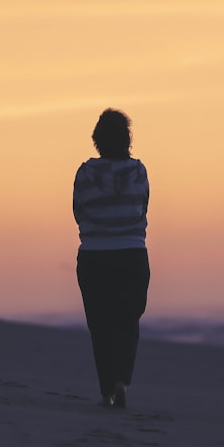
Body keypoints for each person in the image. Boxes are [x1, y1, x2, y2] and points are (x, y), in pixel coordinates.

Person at [73, 109, 150, 408]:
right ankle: (122, 382)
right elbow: (143, 207)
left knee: (100, 325)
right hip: (132, 252)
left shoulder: (85, 172)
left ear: (97, 141)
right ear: (127, 139)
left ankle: (106, 390)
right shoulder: (138, 170)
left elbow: (78, 211)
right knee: (129, 321)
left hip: (94, 255)